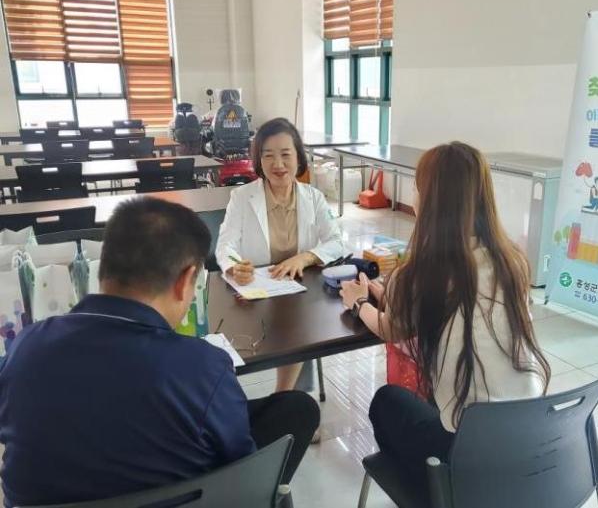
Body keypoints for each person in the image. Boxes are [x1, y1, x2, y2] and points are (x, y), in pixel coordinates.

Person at [0, 197, 319, 507]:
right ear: (185, 281)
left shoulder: (25, 348)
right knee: (293, 410)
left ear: (103, 269)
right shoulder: (203, 367)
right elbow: (241, 461)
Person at [340, 141, 551, 495]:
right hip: (531, 440)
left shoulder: (423, 272)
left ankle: (436, 492)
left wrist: (359, 301)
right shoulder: (512, 261)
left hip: (470, 458)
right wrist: (389, 294)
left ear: (430, 201)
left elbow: (391, 329)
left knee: (387, 401)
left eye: (417, 188)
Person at [216, 117, 344, 391]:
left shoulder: (313, 197)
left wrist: (305, 257)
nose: (278, 164)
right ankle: (279, 399)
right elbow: (225, 246)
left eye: (286, 154)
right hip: (255, 294)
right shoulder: (242, 197)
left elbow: (335, 242)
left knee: (300, 328)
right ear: (258, 160)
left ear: (298, 158)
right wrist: (234, 267)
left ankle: (286, 397)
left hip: (298, 292)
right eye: (268, 155)